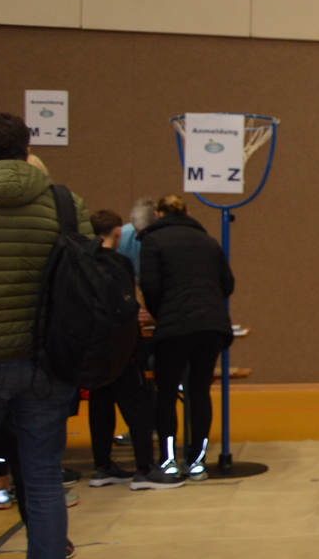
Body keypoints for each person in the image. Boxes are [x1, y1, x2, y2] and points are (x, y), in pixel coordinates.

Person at [0, 111, 91, 559]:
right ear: (26, 149)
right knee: (44, 483)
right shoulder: (63, 203)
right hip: (46, 364)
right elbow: (87, 275)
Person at [139, 193, 235, 481]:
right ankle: (197, 462)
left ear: (158, 214)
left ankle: (169, 461)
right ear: (187, 213)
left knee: (167, 393)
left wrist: (162, 313)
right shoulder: (208, 241)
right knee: (199, 392)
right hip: (211, 325)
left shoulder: (152, 241)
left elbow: (150, 286)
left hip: (174, 328)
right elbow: (227, 283)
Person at [85, 210, 179, 490]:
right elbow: (127, 303)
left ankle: (102, 467)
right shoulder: (119, 263)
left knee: (100, 407)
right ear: (117, 232)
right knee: (138, 408)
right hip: (122, 347)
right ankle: (145, 469)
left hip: (94, 346)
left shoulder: (83, 262)